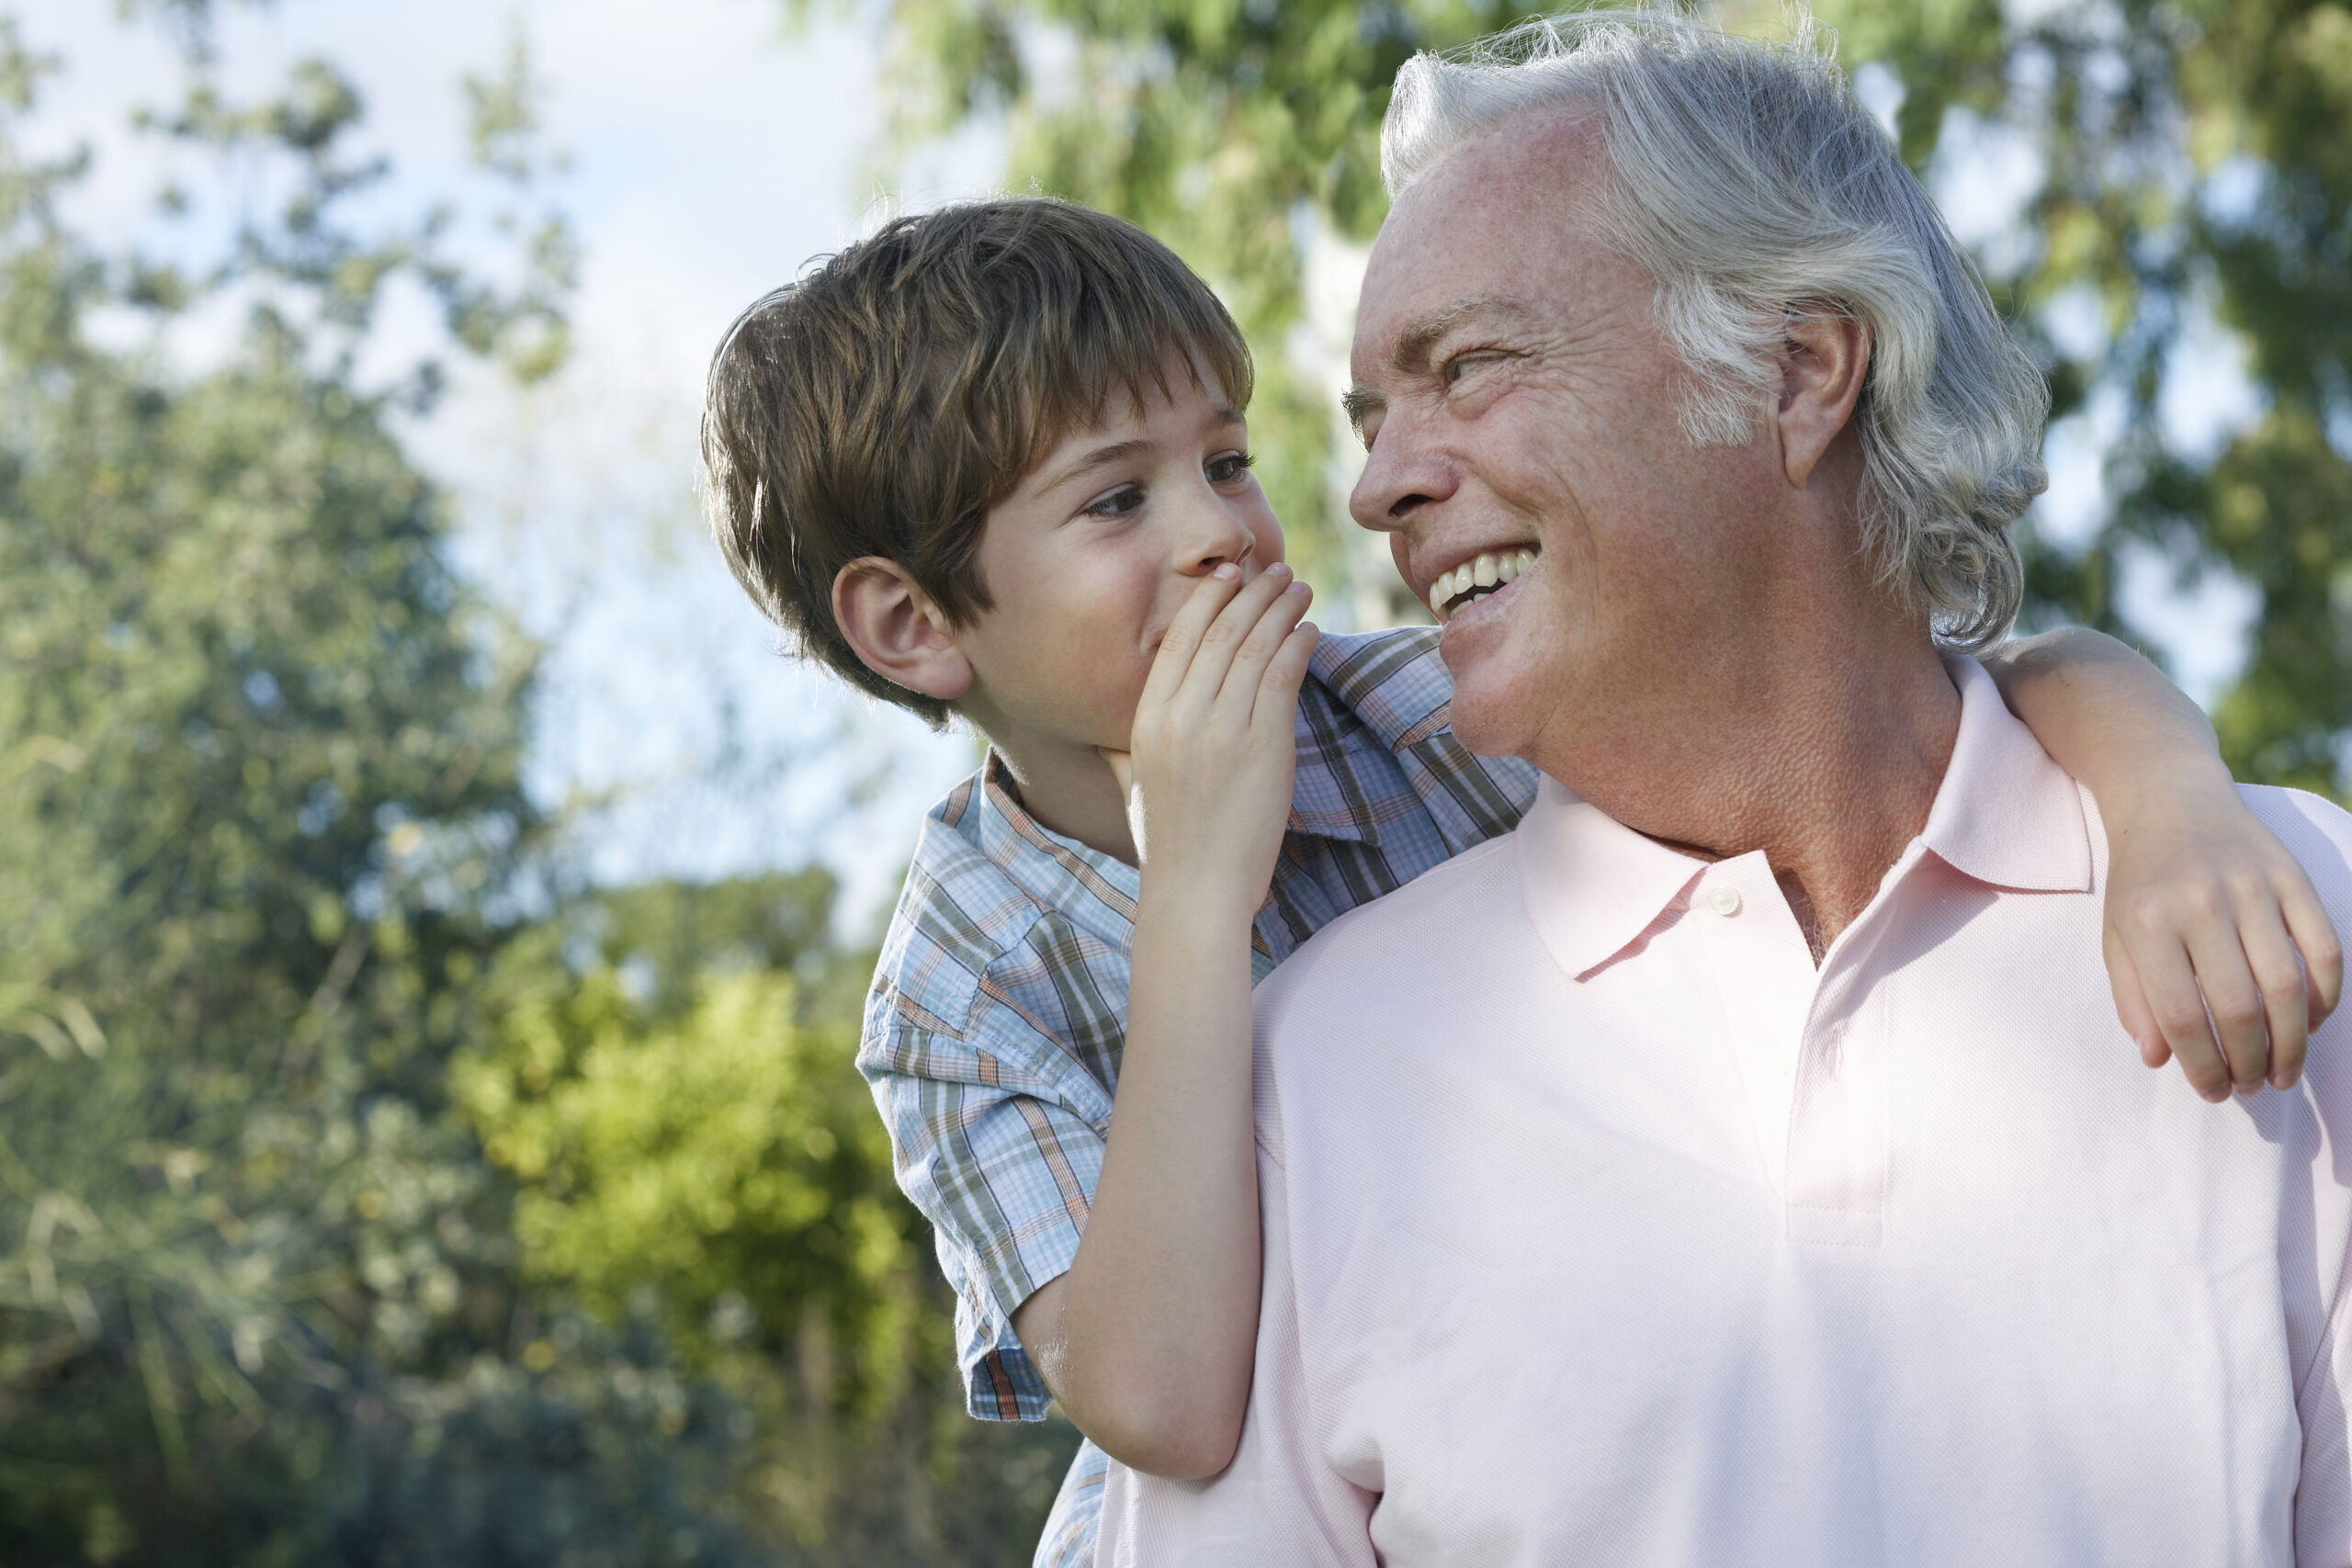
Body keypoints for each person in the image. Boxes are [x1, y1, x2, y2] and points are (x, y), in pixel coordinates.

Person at [697, 197, 2341, 1567]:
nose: (1228, 534)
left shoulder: (1416, 716)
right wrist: (1198, 891)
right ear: (914, 627)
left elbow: (1973, 680)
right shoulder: (961, 985)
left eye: (1229, 462)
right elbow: (1164, 1403)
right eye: (1120, 499)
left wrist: (2172, 804)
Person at [1095, 9, 2352, 1565]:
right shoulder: (1296, 1084)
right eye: (1370, 420)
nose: (1373, 488)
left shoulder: (2296, 918)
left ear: (1799, 370)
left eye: (1468, 369)